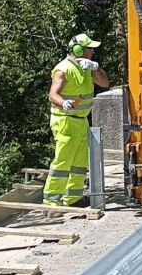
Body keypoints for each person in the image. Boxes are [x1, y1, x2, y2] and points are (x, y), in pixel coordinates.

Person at [44, 33, 109, 206]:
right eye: (90, 49)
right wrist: (63, 102)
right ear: (78, 49)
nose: (93, 52)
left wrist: (95, 68)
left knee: (79, 163)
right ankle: (51, 202)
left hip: (81, 120)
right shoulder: (63, 69)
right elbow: (52, 95)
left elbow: (104, 84)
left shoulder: (86, 67)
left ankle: (73, 197)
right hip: (65, 120)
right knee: (63, 162)